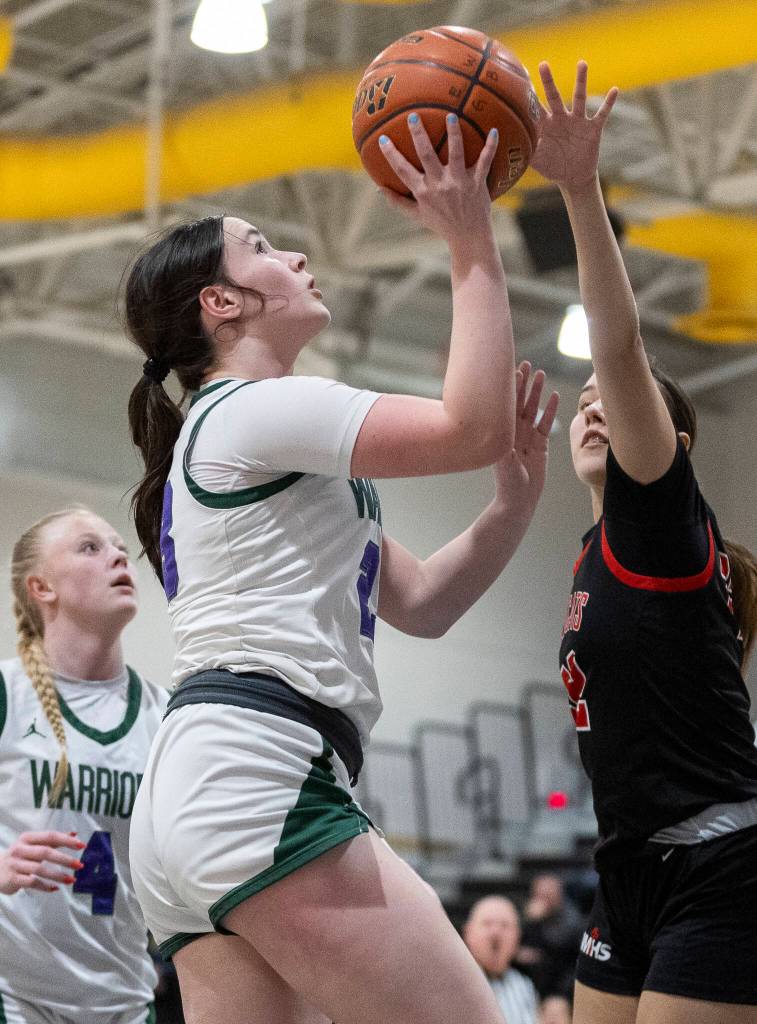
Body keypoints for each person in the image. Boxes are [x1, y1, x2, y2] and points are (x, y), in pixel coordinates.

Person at [125, 111, 559, 1024]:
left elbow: (422, 604)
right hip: (257, 771)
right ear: (222, 303)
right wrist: (469, 232)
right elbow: (466, 426)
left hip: (198, 794)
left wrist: (511, 503)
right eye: (263, 248)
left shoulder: (256, 444)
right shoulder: (251, 410)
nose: (296, 256)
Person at [532, 60, 757, 1023]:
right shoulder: (589, 558)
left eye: (615, 409)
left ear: (670, 442)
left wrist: (580, 188)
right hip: (624, 866)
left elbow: (616, 348)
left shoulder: (662, 525)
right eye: (582, 404)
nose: (593, 405)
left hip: (720, 863)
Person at [0, 507, 169, 1024]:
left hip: (125, 999)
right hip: (15, 998)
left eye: (119, 546)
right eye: (89, 547)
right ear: (41, 587)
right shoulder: (9, 694)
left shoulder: (165, 716)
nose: (119, 555)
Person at [463, 896, 539, 1024]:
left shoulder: (525, 986)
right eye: (487, 924)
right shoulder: (453, 984)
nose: (496, 932)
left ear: (518, 937)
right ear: (468, 932)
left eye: (505, 925)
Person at [517, 873, 584, 998]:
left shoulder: (571, 917)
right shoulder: (527, 914)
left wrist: (535, 922)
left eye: (548, 894)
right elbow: (519, 940)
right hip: (531, 980)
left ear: (559, 894)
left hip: (562, 983)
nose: (542, 899)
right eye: (539, 894)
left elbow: (558, 947)